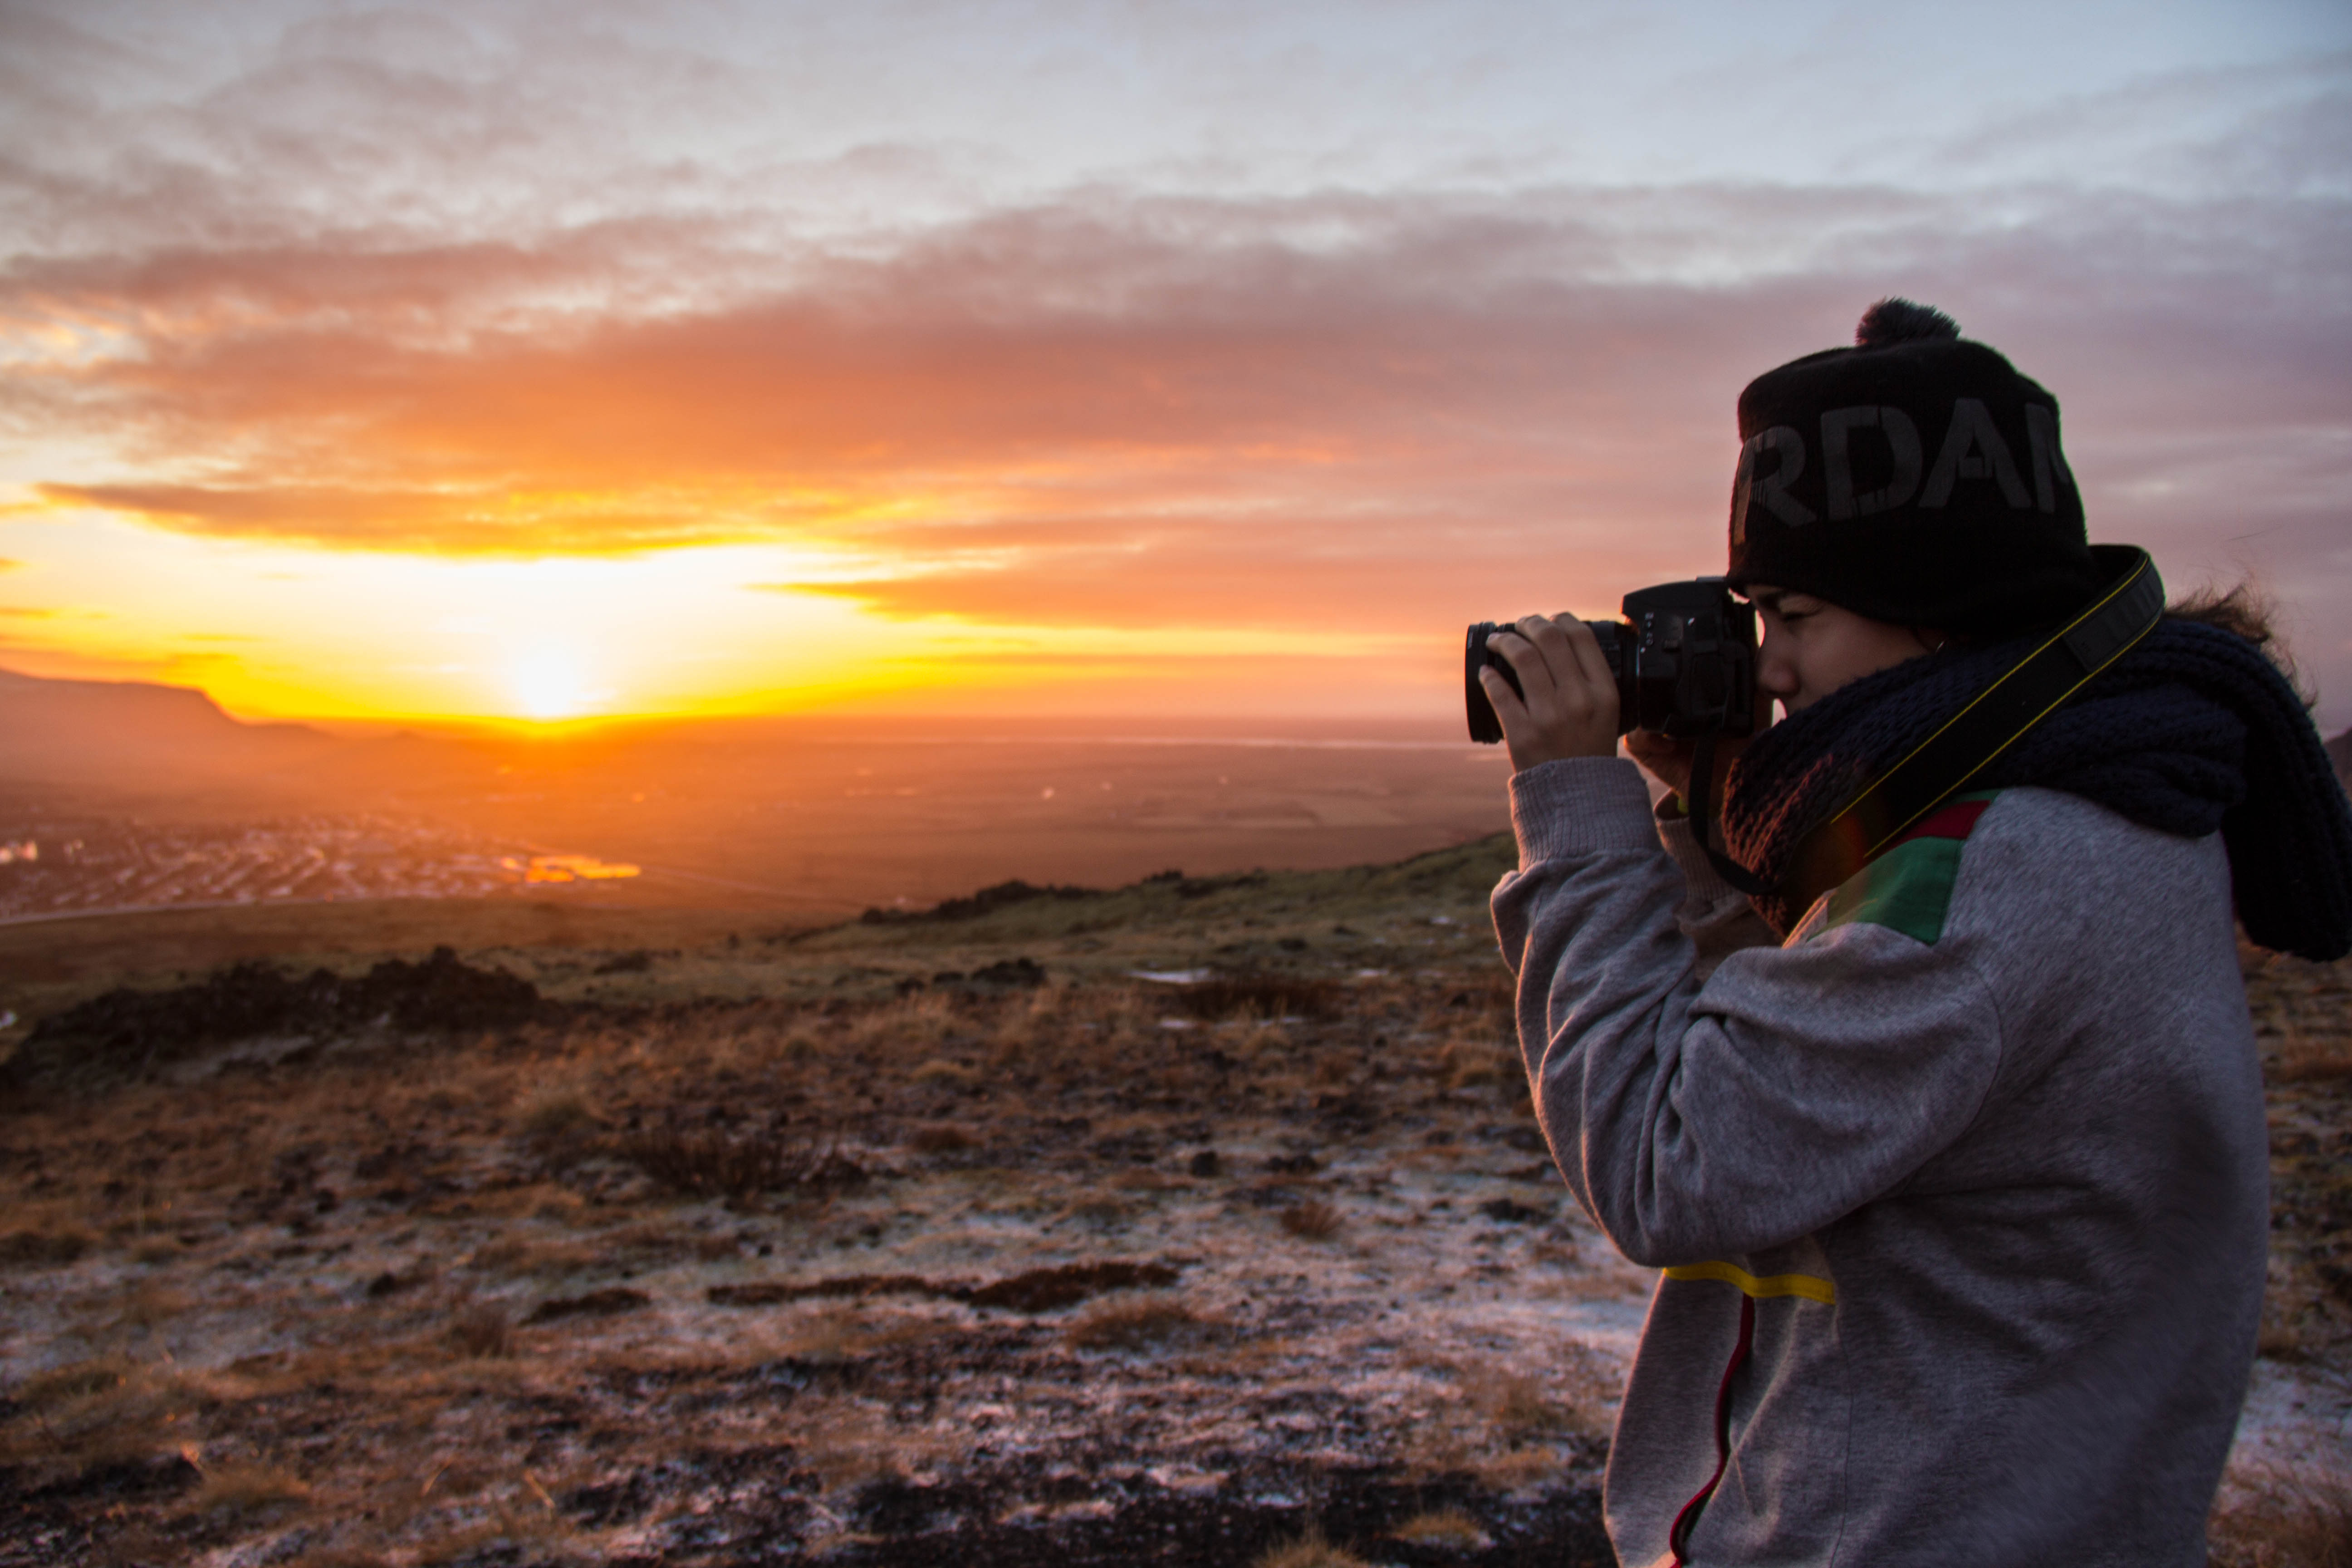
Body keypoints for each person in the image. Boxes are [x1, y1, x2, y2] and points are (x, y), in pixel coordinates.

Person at [1475, 299, 2352, 1567]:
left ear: (1936, 606)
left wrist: (1571, 806)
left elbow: (1670, 1161)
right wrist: (1716, 828)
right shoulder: (2091, 804)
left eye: (1794, 613)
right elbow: (1811, 1045)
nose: (1771, 669)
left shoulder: (1994, 879)